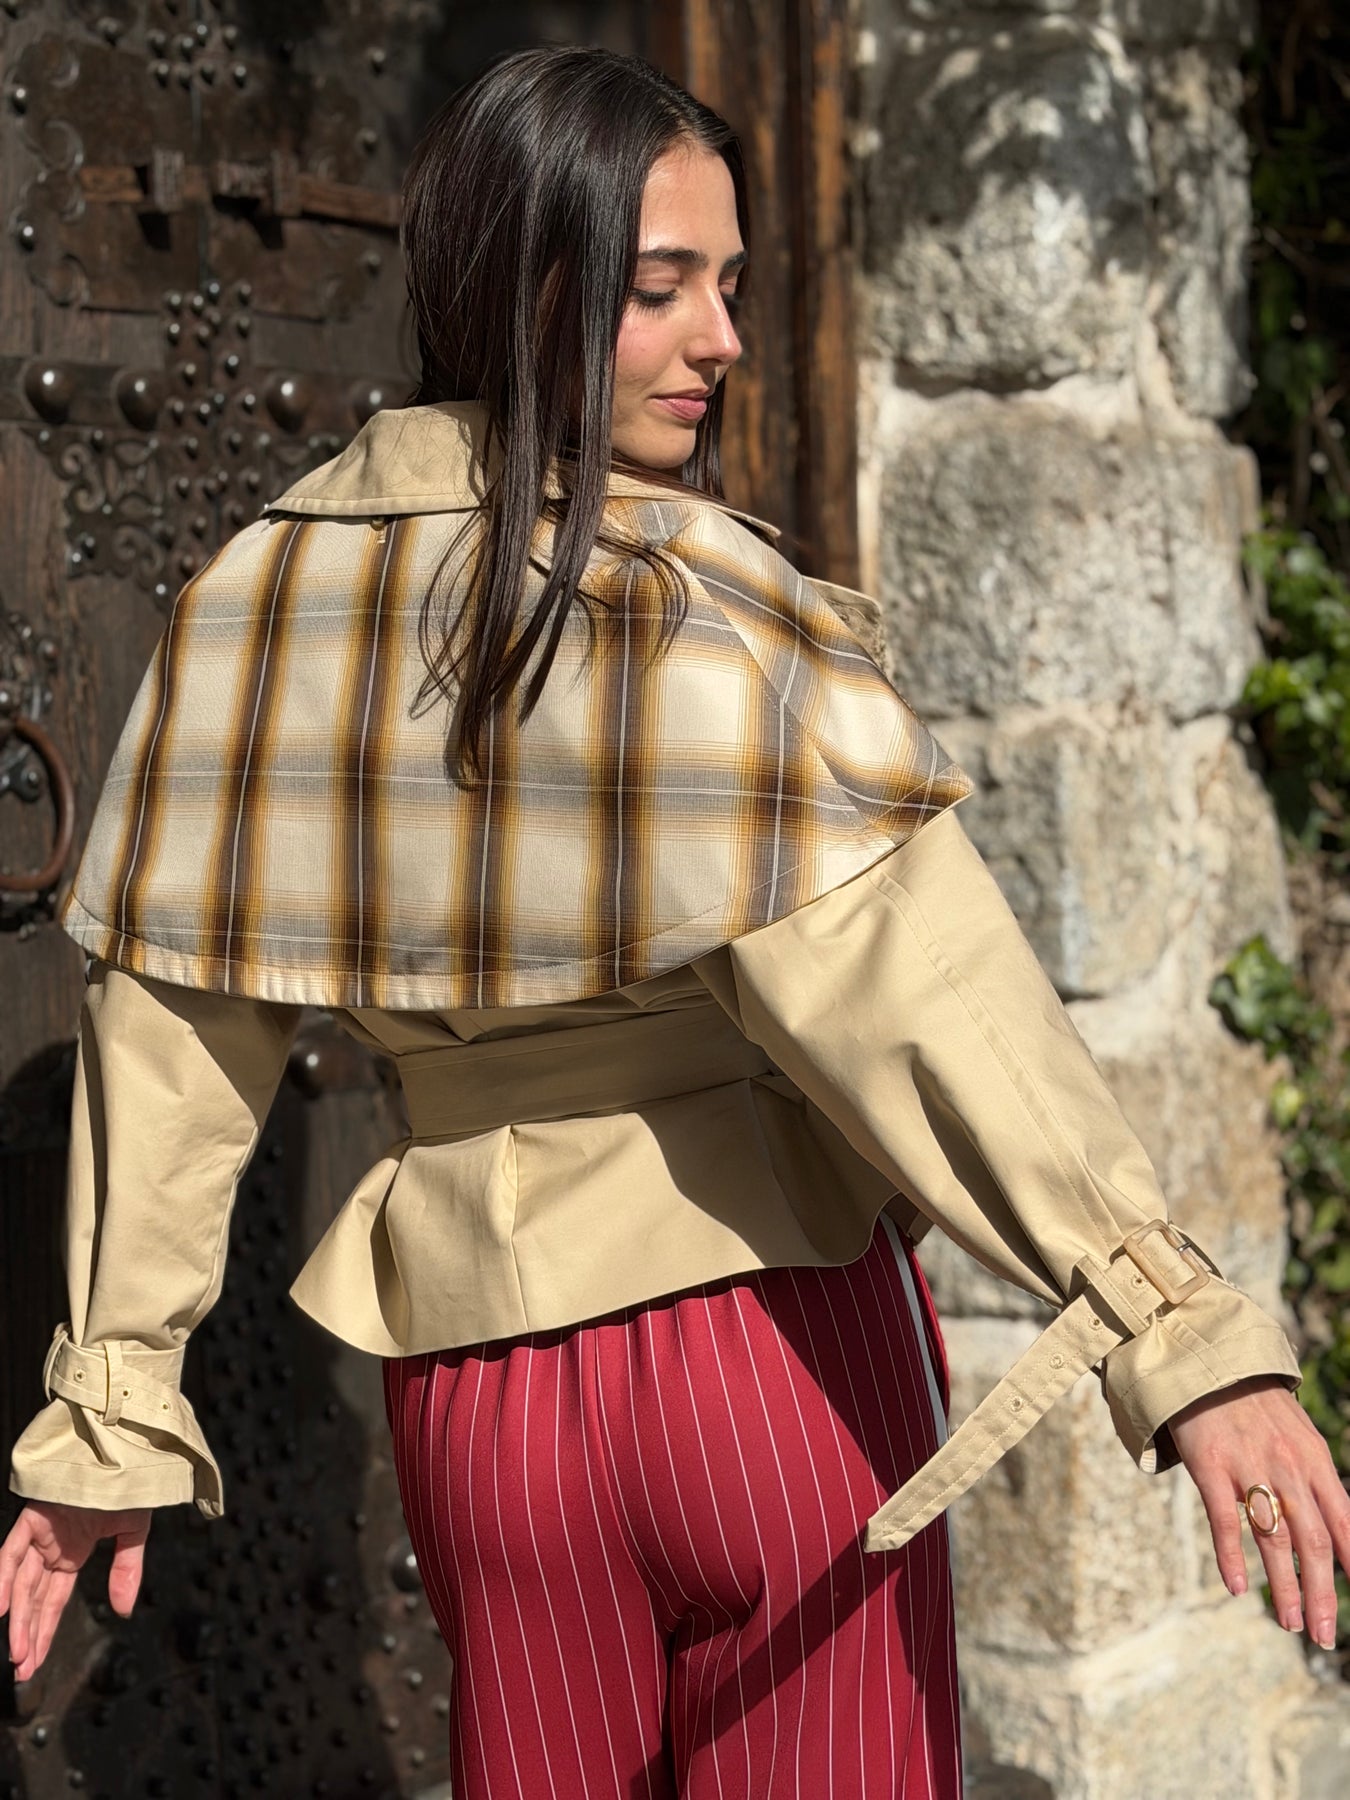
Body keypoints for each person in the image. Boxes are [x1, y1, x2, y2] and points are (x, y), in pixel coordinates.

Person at [3, 43, 1349, 1800]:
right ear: (521, 284)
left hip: (483, 1411)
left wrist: (108, 1411)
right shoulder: (696, 600)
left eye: (728, 285)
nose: (719, 338)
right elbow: (910, 989)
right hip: (766, 1353)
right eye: (659, 291)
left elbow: (172, 1036)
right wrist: (1176, 1330)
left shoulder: (257, 600)